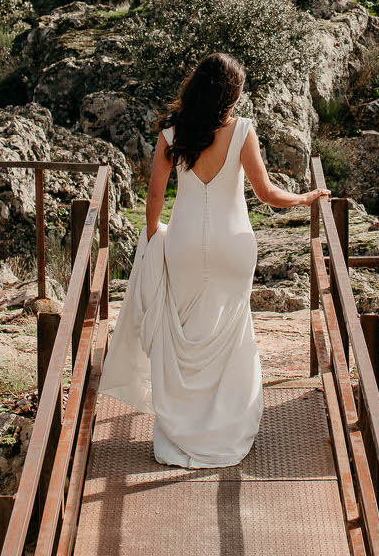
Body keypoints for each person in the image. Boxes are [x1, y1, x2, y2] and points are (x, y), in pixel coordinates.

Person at [100, 52, 330, 467]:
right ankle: (223, 430)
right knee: (229, 336)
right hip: (232, 244)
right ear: (228, 94)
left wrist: (154, 241)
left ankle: (183, 430)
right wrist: (306, 197)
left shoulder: (172, 132)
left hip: (184, 242)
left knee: (186, 333)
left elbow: (154, 196)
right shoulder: (242, 131)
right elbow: (267, 194)